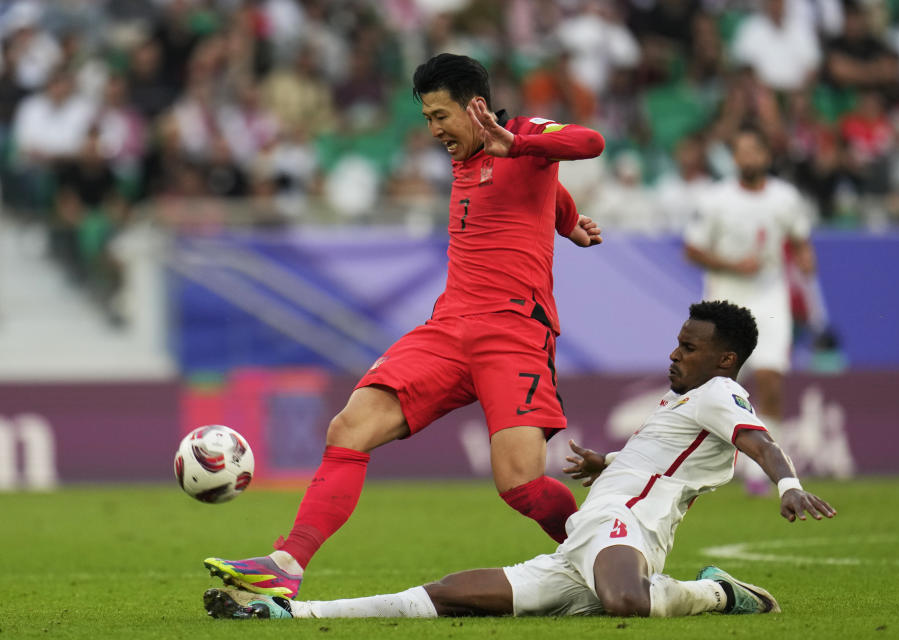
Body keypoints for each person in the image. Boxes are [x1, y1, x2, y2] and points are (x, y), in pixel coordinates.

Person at [203, 53, 606, 599]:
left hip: (512, 333)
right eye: (426, 118)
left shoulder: (524, 135)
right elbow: (544, 192)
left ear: (477, 107)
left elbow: (589, 142)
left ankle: (596, 562)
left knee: (521, 485)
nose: (433, 130)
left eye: (440, 115)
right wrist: (569, 222)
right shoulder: (469, 158)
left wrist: (522, 150)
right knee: (349, 428)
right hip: (447, 328)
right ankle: (286, 564)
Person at [203, 300, 836, 621]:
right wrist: (610, 462)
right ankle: (290, 612)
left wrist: (787, 483)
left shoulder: (721, 393)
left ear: (725, 360)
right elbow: (666, 459)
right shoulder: (688, 399)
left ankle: (718, 595)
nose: (676, 355)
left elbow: (758, 440)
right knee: (450, 597)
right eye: (677, 343)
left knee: (623, 602)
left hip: (626, 528)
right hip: (595, 529)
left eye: (690, 348)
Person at [684, 125, 817, 495]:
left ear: (765, 155)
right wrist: (731, 264)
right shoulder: (716, 199)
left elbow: (800, 240)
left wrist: (806, 260)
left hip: (769, 299)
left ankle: (759, 473)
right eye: (739, 152)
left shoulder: (785, 197)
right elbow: (692, 249)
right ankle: (699, 466)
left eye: (752, 151)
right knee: (719, 387)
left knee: (771, 379)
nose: (746, 158)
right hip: (725, 302)